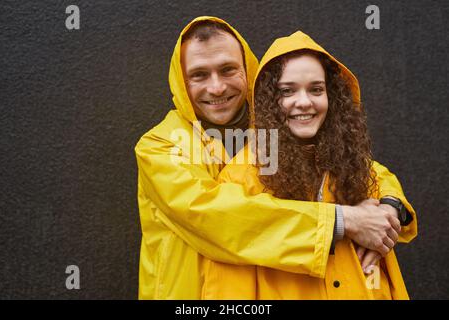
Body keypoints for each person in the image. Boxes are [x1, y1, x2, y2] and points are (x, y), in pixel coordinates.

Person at [135, 16, 414, 299]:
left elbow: (359, 166)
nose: (217, 87)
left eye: (228, 69)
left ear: (248, 70)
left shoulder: (275, 130)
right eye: (199, 75)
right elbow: (214, 217)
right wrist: (345, 221)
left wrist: (390, 205)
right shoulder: (161, 146)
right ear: (181, 81)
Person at [206, 30, 418, 299]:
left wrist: (392, 205)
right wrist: (348, 222)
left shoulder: (348, 161)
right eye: (287, 91)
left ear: (333, 96)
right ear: (268, 100)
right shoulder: (240, 179)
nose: (304, 102)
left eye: (316, 89)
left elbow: (380, 175)